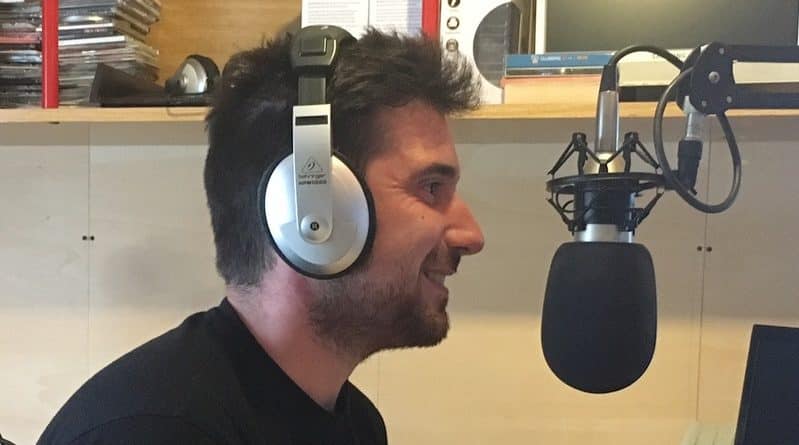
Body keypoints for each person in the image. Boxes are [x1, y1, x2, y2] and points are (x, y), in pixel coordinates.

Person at [38, 27, 485, 444]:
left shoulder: (359, 426)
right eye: (431, 188)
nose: (472, 235)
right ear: (313, 210)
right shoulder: (149, 433)